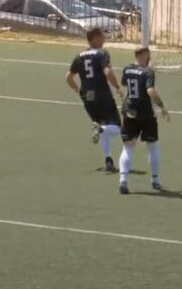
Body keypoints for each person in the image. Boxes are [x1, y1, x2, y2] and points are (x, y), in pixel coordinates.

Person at [66, 28, 124, 171]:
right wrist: (117, 87)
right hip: (102, 95)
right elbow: (107, 72)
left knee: (101, 126)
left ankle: (108, 160)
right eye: (102, 36)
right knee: (116, 128)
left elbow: (69, 77)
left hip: (88, 96)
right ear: (95, 38)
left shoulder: (79, 56)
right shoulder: (101, 53)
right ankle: (100, 129)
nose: (104, 39)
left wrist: (77, 90)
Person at [118, 46, 169, 195]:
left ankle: (123, 181)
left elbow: (125, 86)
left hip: (130, 112)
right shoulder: (148, 72)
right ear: (144, 54)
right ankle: (155, 180)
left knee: (128, 147)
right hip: (146, 114)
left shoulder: (127, 69)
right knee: (152, 146)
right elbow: (150, 90)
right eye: (149, 54)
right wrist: (162, 106)